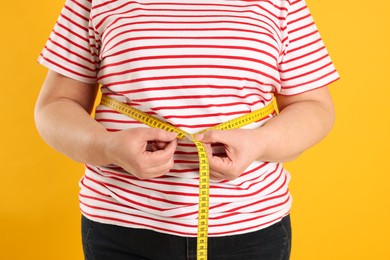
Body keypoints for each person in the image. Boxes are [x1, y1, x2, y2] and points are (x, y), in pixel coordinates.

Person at [34, 0, 339, 259]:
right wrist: (106, 147)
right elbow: (55, 105)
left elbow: (314, 106)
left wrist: (261, 142)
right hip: (121, 223)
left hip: (251, 228)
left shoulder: (282, 3)